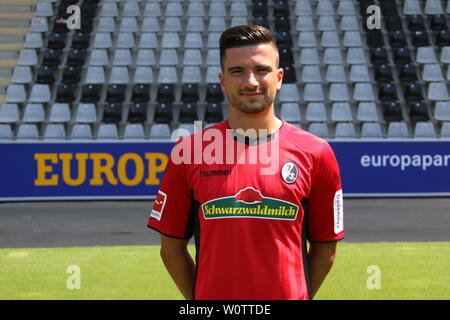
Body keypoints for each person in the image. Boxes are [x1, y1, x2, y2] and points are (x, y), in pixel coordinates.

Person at [147, 25, 344, 300]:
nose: (251, 81)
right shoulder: (188, 153)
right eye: (237, 71)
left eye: (262, 70)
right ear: (222, 81)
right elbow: (170, 249)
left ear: (279, 78)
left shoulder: (317, 152)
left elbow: (326, 249)